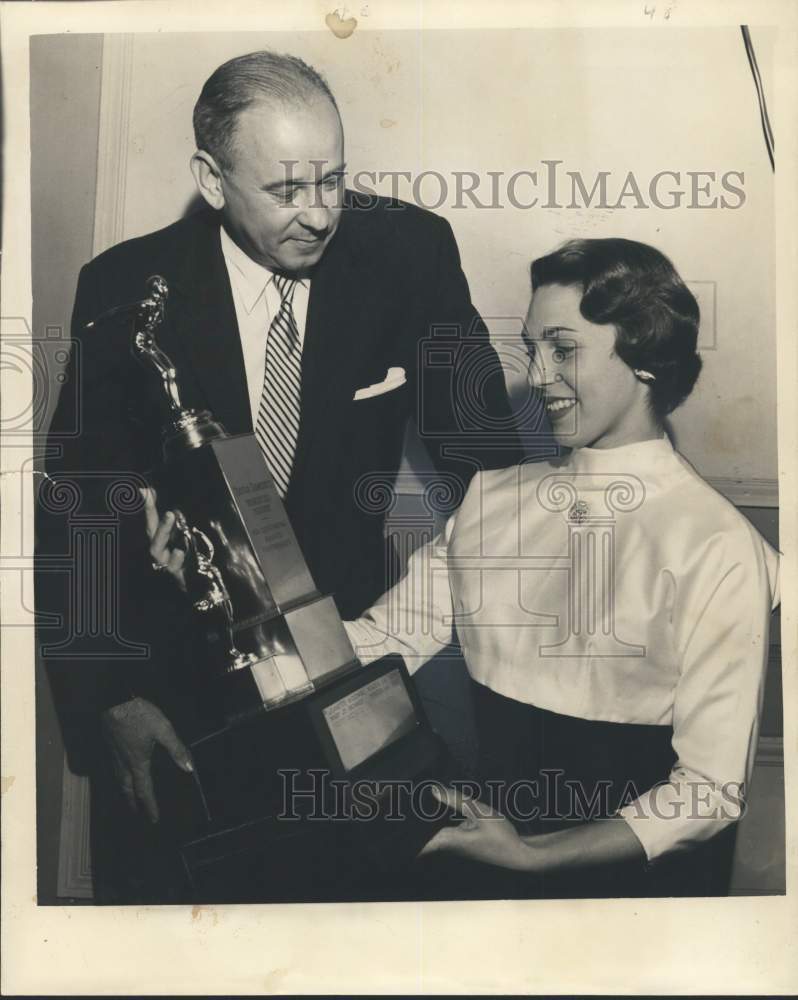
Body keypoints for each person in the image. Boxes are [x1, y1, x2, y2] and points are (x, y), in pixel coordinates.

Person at [41, 49, 520, 901]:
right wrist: (108, 699)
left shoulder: (407, 254)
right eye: (286, 191)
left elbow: (493, 468)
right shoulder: (122, 288)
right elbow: (77, 503)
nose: (320, 214)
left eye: (332, 181)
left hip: (349, 692)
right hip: (177, 706)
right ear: (212, 179)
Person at [339, 237, 781, 898]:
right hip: (487, 858)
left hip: (639, 896)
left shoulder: (718, 547)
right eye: (533, 347)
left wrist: (538, 856)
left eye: (564, 348)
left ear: (646, 359)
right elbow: (376, 643)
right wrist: (235, 601)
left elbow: (710, 792)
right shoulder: (492, 498)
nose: (538, 375)